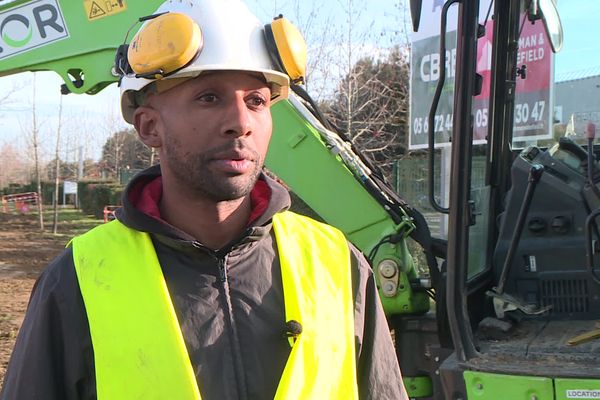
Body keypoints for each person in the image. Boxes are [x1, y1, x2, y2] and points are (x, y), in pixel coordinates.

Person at [0, 0, 408, 399]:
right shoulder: (78, 279)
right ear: (148, 126)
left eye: (257, 101)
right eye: (208, 97)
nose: (240, 123)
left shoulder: (337, 263)